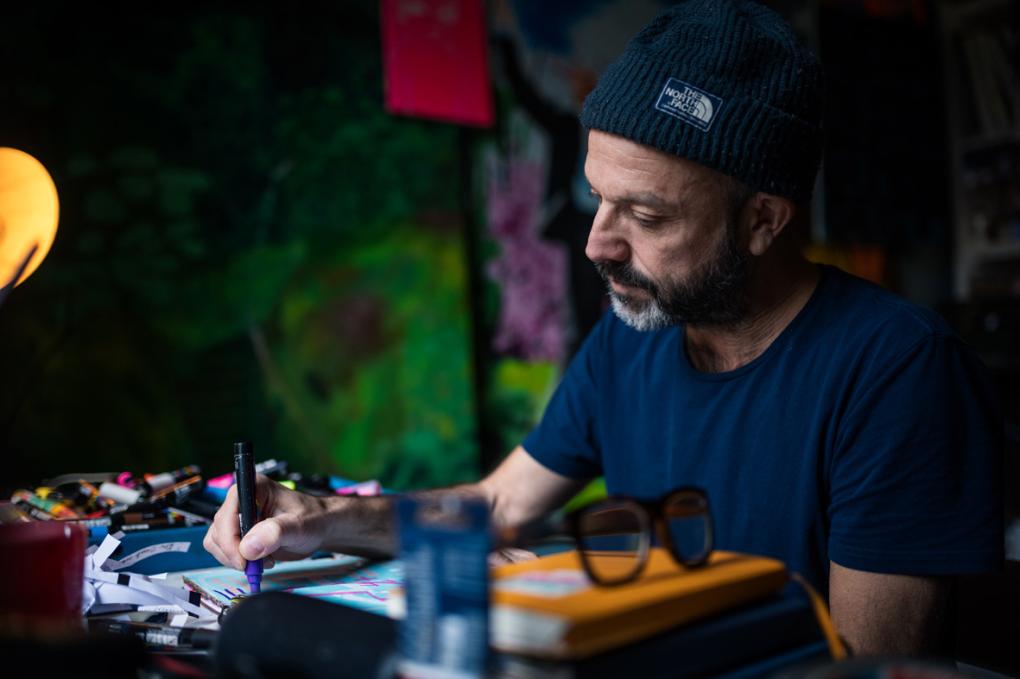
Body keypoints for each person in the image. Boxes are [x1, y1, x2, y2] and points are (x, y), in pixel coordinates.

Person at [205, 0, 1002, 658]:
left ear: (763, 220)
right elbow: (496, 506)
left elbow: (868, 665)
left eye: (646, 216)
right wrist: (319, 516)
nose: (597, 243)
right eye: (598, 198)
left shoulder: (898, 371)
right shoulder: (635, 335)